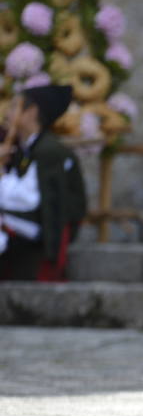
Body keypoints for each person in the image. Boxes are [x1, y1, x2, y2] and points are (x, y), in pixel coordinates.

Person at [0, 85, 86, 281]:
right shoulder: (24, 148)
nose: (7, 112)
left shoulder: (49, 151)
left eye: (14, 107)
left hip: (37, 232)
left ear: (31, 112)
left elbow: (25, 200)